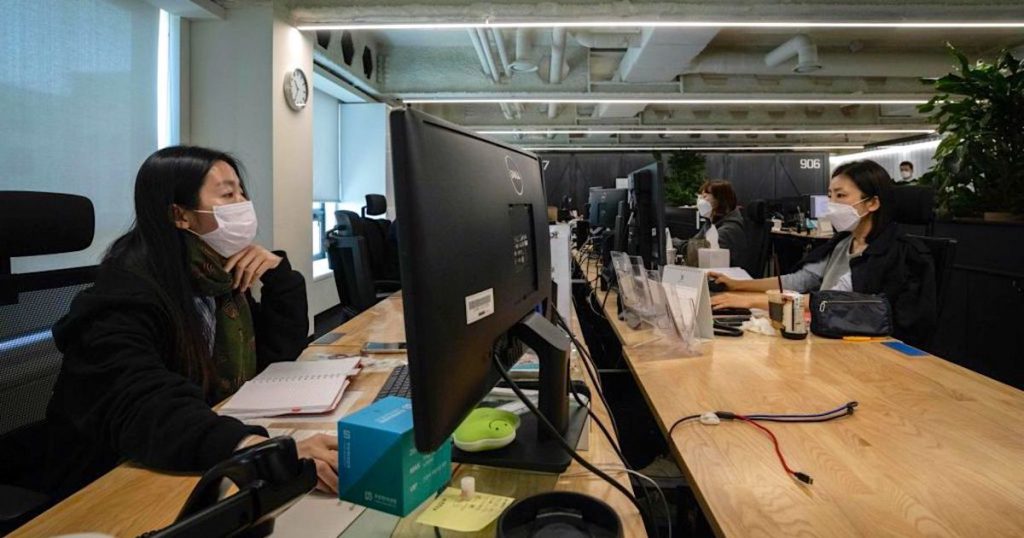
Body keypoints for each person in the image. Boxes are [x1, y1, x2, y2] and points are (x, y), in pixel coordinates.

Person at [40, 146, 339, 502]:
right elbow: (145, 402)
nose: (244, 204)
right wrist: (256, 449)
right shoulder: (125, 293)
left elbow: (275, 356)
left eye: (242, 192)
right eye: (228, 194)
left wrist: (279, 276)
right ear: (180, 216)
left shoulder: (216, 277)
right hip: (106, 474)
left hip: (189, 443)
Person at [710, 160, 936, 346]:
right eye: (830, 195)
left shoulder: (895, 253)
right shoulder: (842, 243)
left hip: (864, 347)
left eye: (841, 196)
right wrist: (736, 285)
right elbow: (800, 281)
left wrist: (749, 302)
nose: (831, 204)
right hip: (828, 334)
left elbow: (835, 300)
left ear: (872, 203)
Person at [681, 180, 747, 268]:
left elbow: (698, 254)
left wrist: (676, 244)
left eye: (705, 196)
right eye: (700, 196)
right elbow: (694, 244)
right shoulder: (710, 223)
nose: (700, 200)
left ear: (720, 200)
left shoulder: (729, 230)